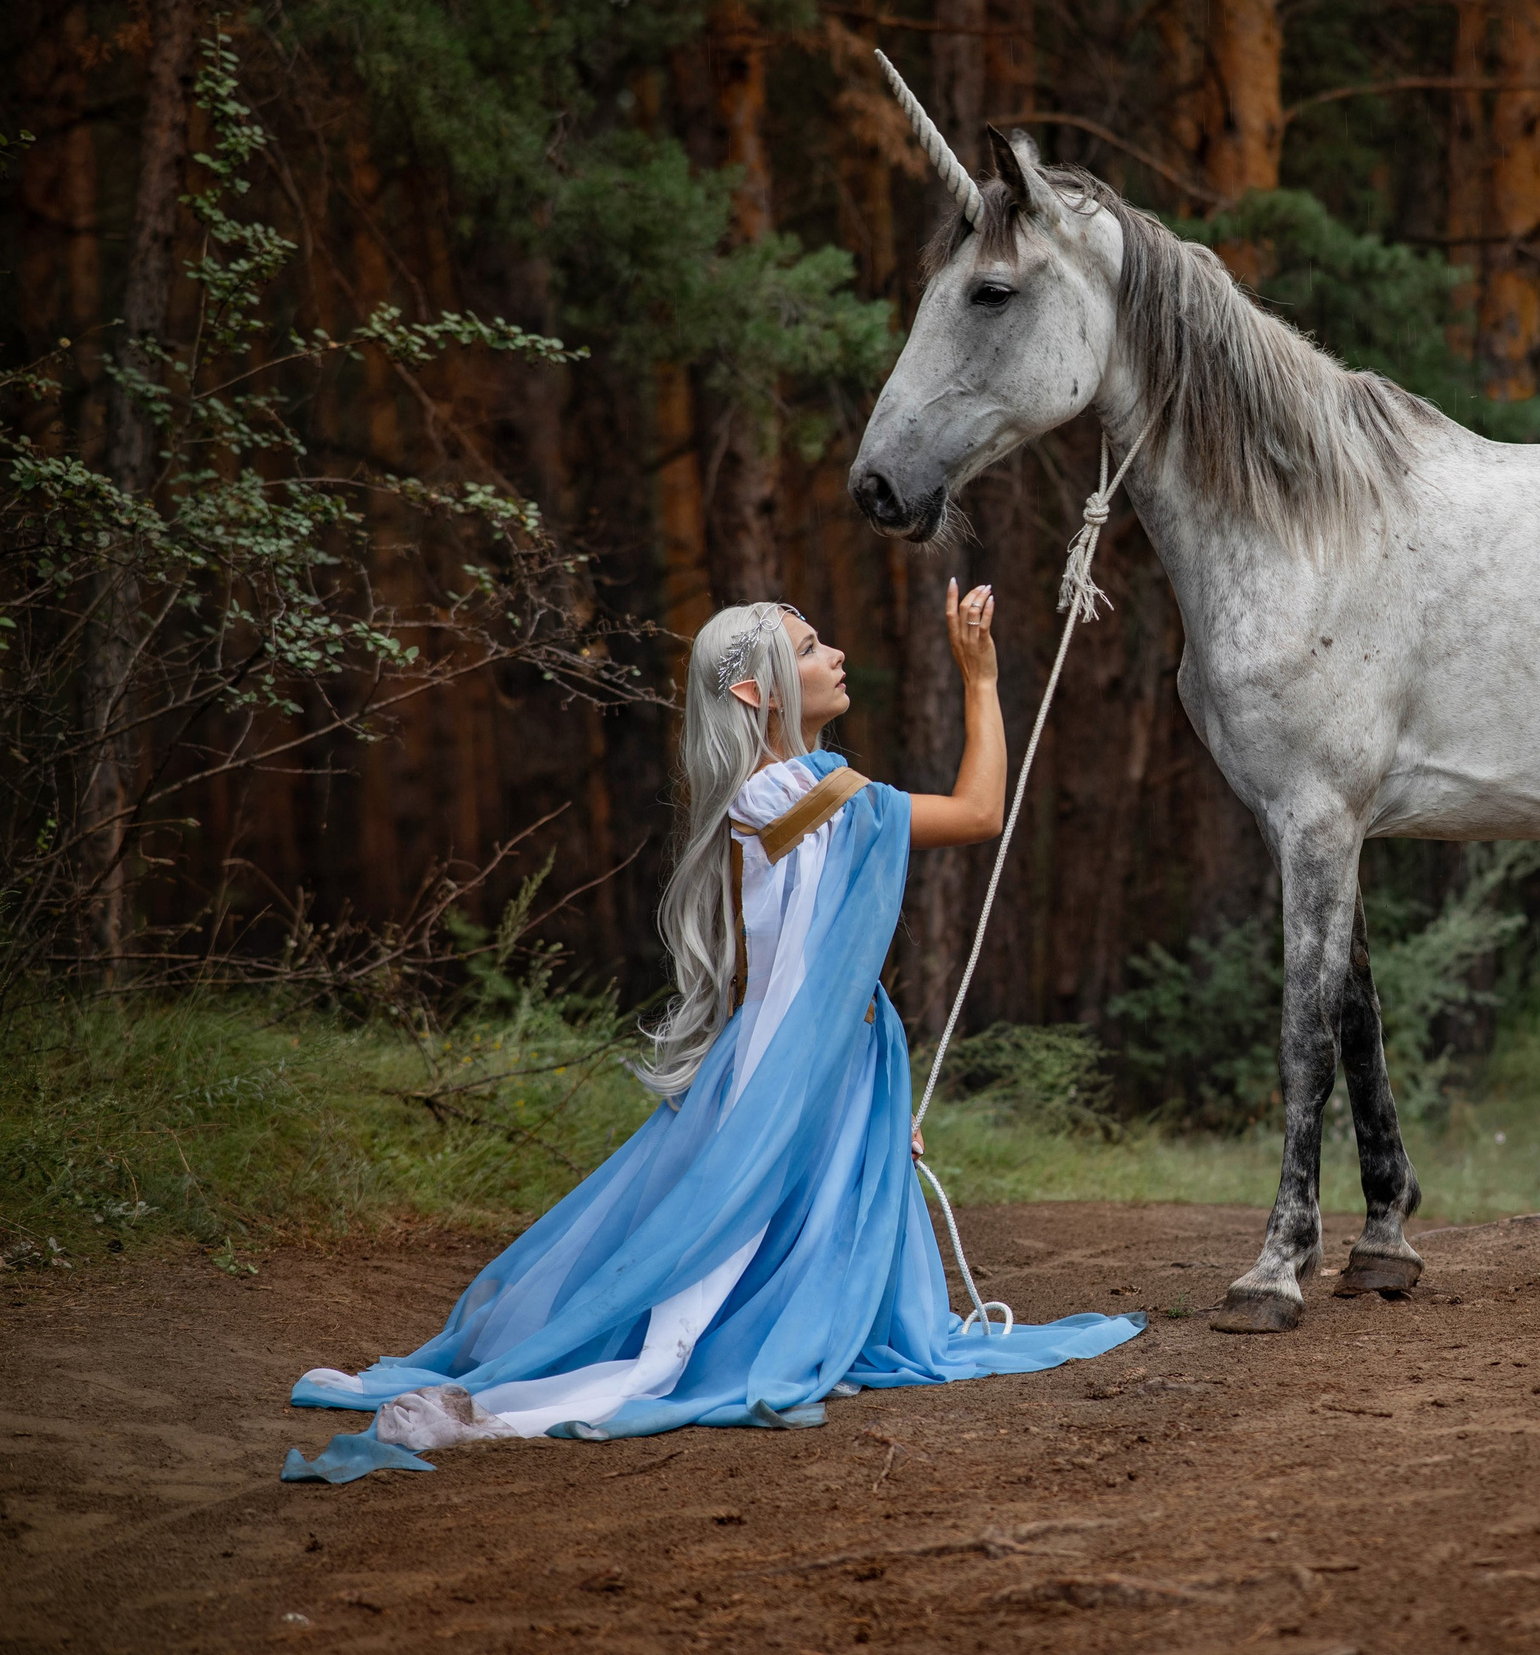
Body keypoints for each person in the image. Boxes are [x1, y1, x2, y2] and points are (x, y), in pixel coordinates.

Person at [283, 584, 1142, 1484]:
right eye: (810, 647)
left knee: (739, 1238)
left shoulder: (770, 794)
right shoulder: (808, 793)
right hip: (801, 1064)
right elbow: (979, 815)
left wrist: (857, 1089)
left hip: (809, 1059)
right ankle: (570, 1387)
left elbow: (771, 967)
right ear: (756, 691)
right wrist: (981, 679)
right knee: (703, 1275)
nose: (835, 655)